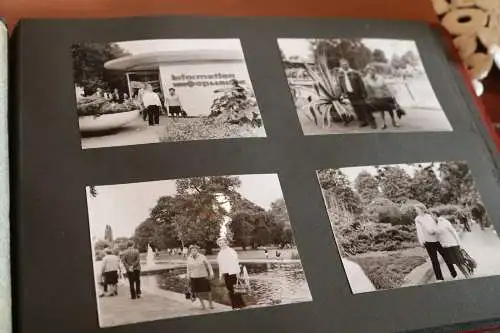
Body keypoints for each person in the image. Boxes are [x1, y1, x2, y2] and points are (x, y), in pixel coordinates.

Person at [414, 204, 457, 281]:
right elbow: (419, 231)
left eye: (417, 209)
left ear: (422, 209)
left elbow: (437, 224)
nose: (416, 211)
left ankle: (454, 273)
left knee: (446, 257)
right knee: (434, 260)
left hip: (438, 240)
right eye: (416, 209)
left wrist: (435, 231)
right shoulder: (417, 219)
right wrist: (421, 241)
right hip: (428, 242)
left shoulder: (429, 216)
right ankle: (439, 278)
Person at [337, 58, 376, 128]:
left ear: (348, 64)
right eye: (343, 65)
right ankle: (363, 122)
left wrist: (364, 93)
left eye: (346, 64)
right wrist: (343, 93)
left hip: (358, 93)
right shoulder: (340, 75)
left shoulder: (354, 73)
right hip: (349, 94)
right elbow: (340, 85)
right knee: (356, 108)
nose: (344, 66)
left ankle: (372, 122)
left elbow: (361, 84)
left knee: (364, 107)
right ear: (341, 66)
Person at [363, 65, 404, 129]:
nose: (371, 73)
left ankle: (394, 121)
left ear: (375, 71)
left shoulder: (380, 77)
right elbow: (368, 89)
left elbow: (385, 87)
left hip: (385, 95)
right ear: (368, 72)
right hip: (376, 96)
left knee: (389, 109)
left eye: (373, 71)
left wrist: (390, 94)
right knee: (381, 109)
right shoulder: (367, 79)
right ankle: (384, 123)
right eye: (369, 72)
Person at [435, 213, 471, 278]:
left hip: (453, 244)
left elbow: (454, 232)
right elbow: (440, 236)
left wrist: (459, 243)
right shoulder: (436, 224)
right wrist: (442, 244)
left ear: (435, 215)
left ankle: (468, 274)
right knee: (456, 262)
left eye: (432, 215)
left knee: (460, 261)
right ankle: (466, 274)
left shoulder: (445, 222)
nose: (431, 217)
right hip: (447, 246)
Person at [216, 237, 245, 309]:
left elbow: (236, 262)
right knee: (230, 290)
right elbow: (220, 265)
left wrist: (238, 274)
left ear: (226, 243)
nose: (221, 244)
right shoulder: (220, 254)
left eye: (223, 243)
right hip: (226, 274)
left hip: (233, 273)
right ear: (218, 244)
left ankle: (238, 305)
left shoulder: (231, 251)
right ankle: (236, 305)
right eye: (220, 243)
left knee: (236, 289)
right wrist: (220, 275)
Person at [186, 245, 215, 310]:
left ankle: (210, 303)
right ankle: (203, 305)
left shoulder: (202, 256)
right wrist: (188, 276)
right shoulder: (189, 258)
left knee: (208, 290)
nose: (193, 251)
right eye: (192, 250)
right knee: (198, 292)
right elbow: (188, 268)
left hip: (203, 276)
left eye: (194, 250)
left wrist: (211, 273)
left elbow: (208, 265)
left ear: (197, 250)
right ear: (190, 251)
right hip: (194, 277)